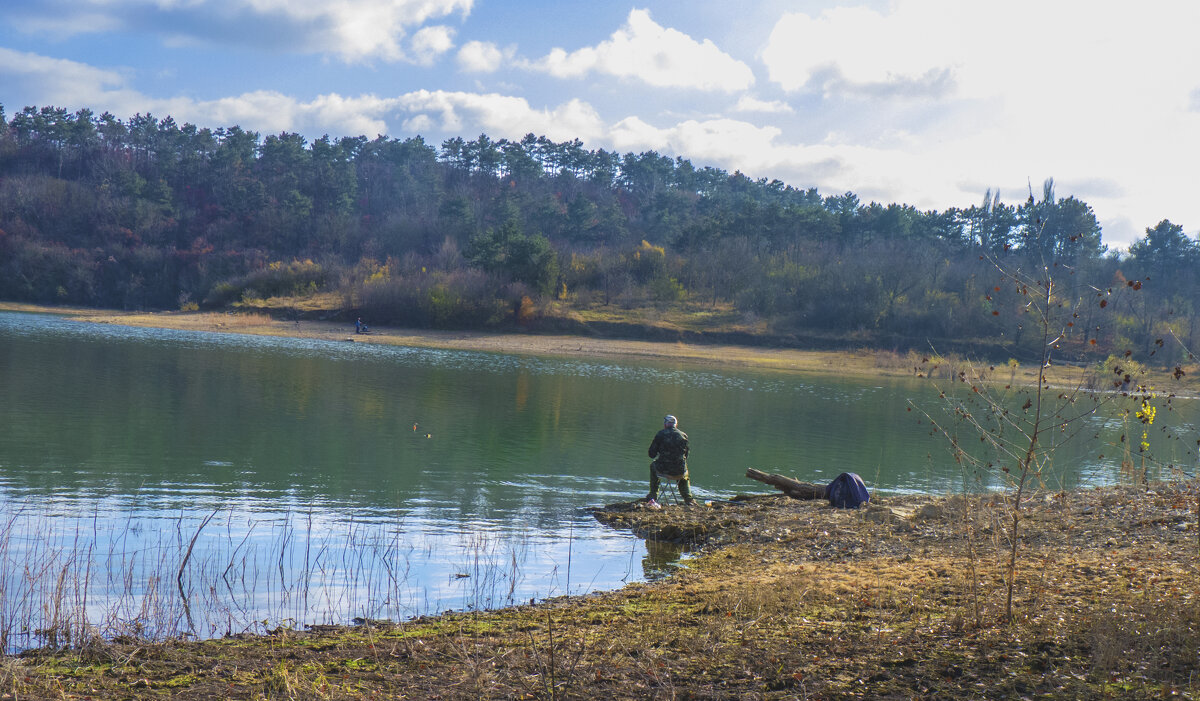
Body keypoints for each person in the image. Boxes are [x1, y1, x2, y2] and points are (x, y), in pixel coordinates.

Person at [646, 414, 694, 506]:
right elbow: (686, 456)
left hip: (662, 469)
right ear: (676, 425)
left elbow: (651, 454)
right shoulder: (684, 436)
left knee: (653, 466)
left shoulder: (660, 434)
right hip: (679, 471)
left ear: (665, 424)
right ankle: (688, 498)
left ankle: (653, 495)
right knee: (684, 470)